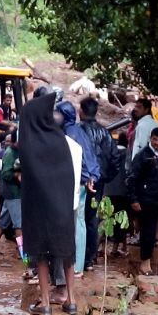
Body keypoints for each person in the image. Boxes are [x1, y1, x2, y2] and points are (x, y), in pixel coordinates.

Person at [18, 91, 77, 315]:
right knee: (66, 253)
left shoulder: (29, 144)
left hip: (38, 211)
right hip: (62, 209)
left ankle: (44, 303)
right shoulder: (58, 139)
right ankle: (71, 300)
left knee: (41, 255)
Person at [54, 100, 99, 275]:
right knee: (79, 223)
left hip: (74, 184)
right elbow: (90, 157)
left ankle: (73, 266)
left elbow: (83, 160)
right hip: (83, 182)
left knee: (74, 224)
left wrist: (88, 177)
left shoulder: (68, 135)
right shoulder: (79, 132)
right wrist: (92, 177)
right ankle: (77, 265)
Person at [127, 126, 158, 275]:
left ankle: (155, 261)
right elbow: (132, 178)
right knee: (147, 232)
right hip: (146, 200)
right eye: (155, 139)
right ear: (150, 138)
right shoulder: (142, 155)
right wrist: (134, 199)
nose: (157, 143)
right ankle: (145, 263)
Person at [79, 97, 114, 268]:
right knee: (92, 218)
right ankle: (90, 258)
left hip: (80, 181)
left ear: (81, 111)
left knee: (78, 217)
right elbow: (114, 158)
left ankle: (78, 258)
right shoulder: (105, 133)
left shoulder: (77, 131)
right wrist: (105, 177)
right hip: (98, 181)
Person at [0, 132, 21, 256]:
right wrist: (18, 175)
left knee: (3, 222)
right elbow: (5, 174)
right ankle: (24, 257)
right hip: (14, 193)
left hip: (11, 193)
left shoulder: (17, 151)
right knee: (19, 225)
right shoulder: (9, 154)